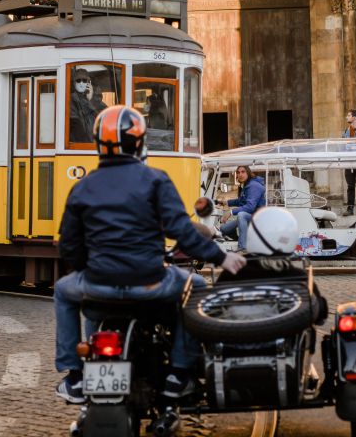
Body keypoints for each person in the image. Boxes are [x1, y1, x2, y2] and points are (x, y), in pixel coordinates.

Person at [54, 105, 246, 404]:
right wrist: (222, 258)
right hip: (150, 282)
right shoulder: (156, 180)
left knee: (62, 291)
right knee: (196, 287)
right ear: (140, 143)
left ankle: (74, 376)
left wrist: (87, 270)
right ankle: (179, 374)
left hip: (97, 283)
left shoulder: (82, 187)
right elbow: (183, 232)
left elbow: (69, 244)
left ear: (98, 144)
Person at [219, 165, 267, 251]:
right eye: (238, 172)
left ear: (248, 172)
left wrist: (230, 212)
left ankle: (242, 247)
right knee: (223, 229)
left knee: (241, 214)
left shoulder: (253, 186)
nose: (240, 174)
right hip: (250, 216)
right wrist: (226, 202)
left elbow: (250, 207)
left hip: (258, 217)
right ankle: (239, 238)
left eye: (243, 172)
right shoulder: (247, 185)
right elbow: (241, 201)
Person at [68, 69, 97, 143]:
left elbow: (97, 122)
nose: (81, 83)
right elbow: (79, 126)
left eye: (84, 80)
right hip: (80, 145)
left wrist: (90, 100)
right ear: (74, 83)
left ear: (88, 83)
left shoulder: (92, 101)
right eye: (78, 80)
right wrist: (88, 102)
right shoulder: (71, 100)